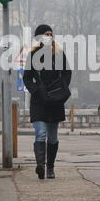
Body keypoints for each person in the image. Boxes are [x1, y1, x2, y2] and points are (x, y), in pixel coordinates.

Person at [23, 24, 72, 179]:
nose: (49, 36)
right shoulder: (32, 55)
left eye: (51, 34)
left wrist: (62, 89)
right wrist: (35, 90)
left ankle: (50, 167)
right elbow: (26, 77)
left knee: (52, 137)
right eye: (46, 34)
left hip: (55, 101)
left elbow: (67, 73)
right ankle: (40, 165)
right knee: (41, 133)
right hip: (39, 101)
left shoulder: (59, 54)